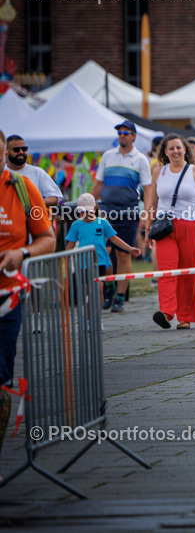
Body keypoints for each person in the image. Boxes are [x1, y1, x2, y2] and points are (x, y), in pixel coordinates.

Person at [0, 130, 55, 473]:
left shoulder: (22, 188)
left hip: (6, 298)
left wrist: (22, 253)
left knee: (1, 379)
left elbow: (47, 239)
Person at [143, 134, 195, 330]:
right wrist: (148, 228)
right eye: (171, 148)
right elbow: (153, 203)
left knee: (187, 273)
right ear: (165, 152)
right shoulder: (159, 171)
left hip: (191, 225)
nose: (175, 151)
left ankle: (185, 317)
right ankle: (166, 312)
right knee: (166, 270)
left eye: (178, 148)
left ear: (185, 150)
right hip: (165, 227)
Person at [92, 121, 152, 312]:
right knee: (104, 251)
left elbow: (148, 189)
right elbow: (98, 184)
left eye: (126, 133)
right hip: (106, 210)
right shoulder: (108, 156)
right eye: (119, 133)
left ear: (133, 136)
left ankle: (119, 297)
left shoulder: (141, 159)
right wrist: (88, 203)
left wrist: (146, 212)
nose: (122, 136)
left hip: (129, 211)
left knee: (123, 254)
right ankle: (110, 287)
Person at [4, 135, 62, 206]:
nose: (21, 152)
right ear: (6, 152)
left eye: (24, 149)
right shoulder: (2, 172)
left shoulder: (38, 172)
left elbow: (54, 198)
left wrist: (36, 203)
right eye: (16, 150)